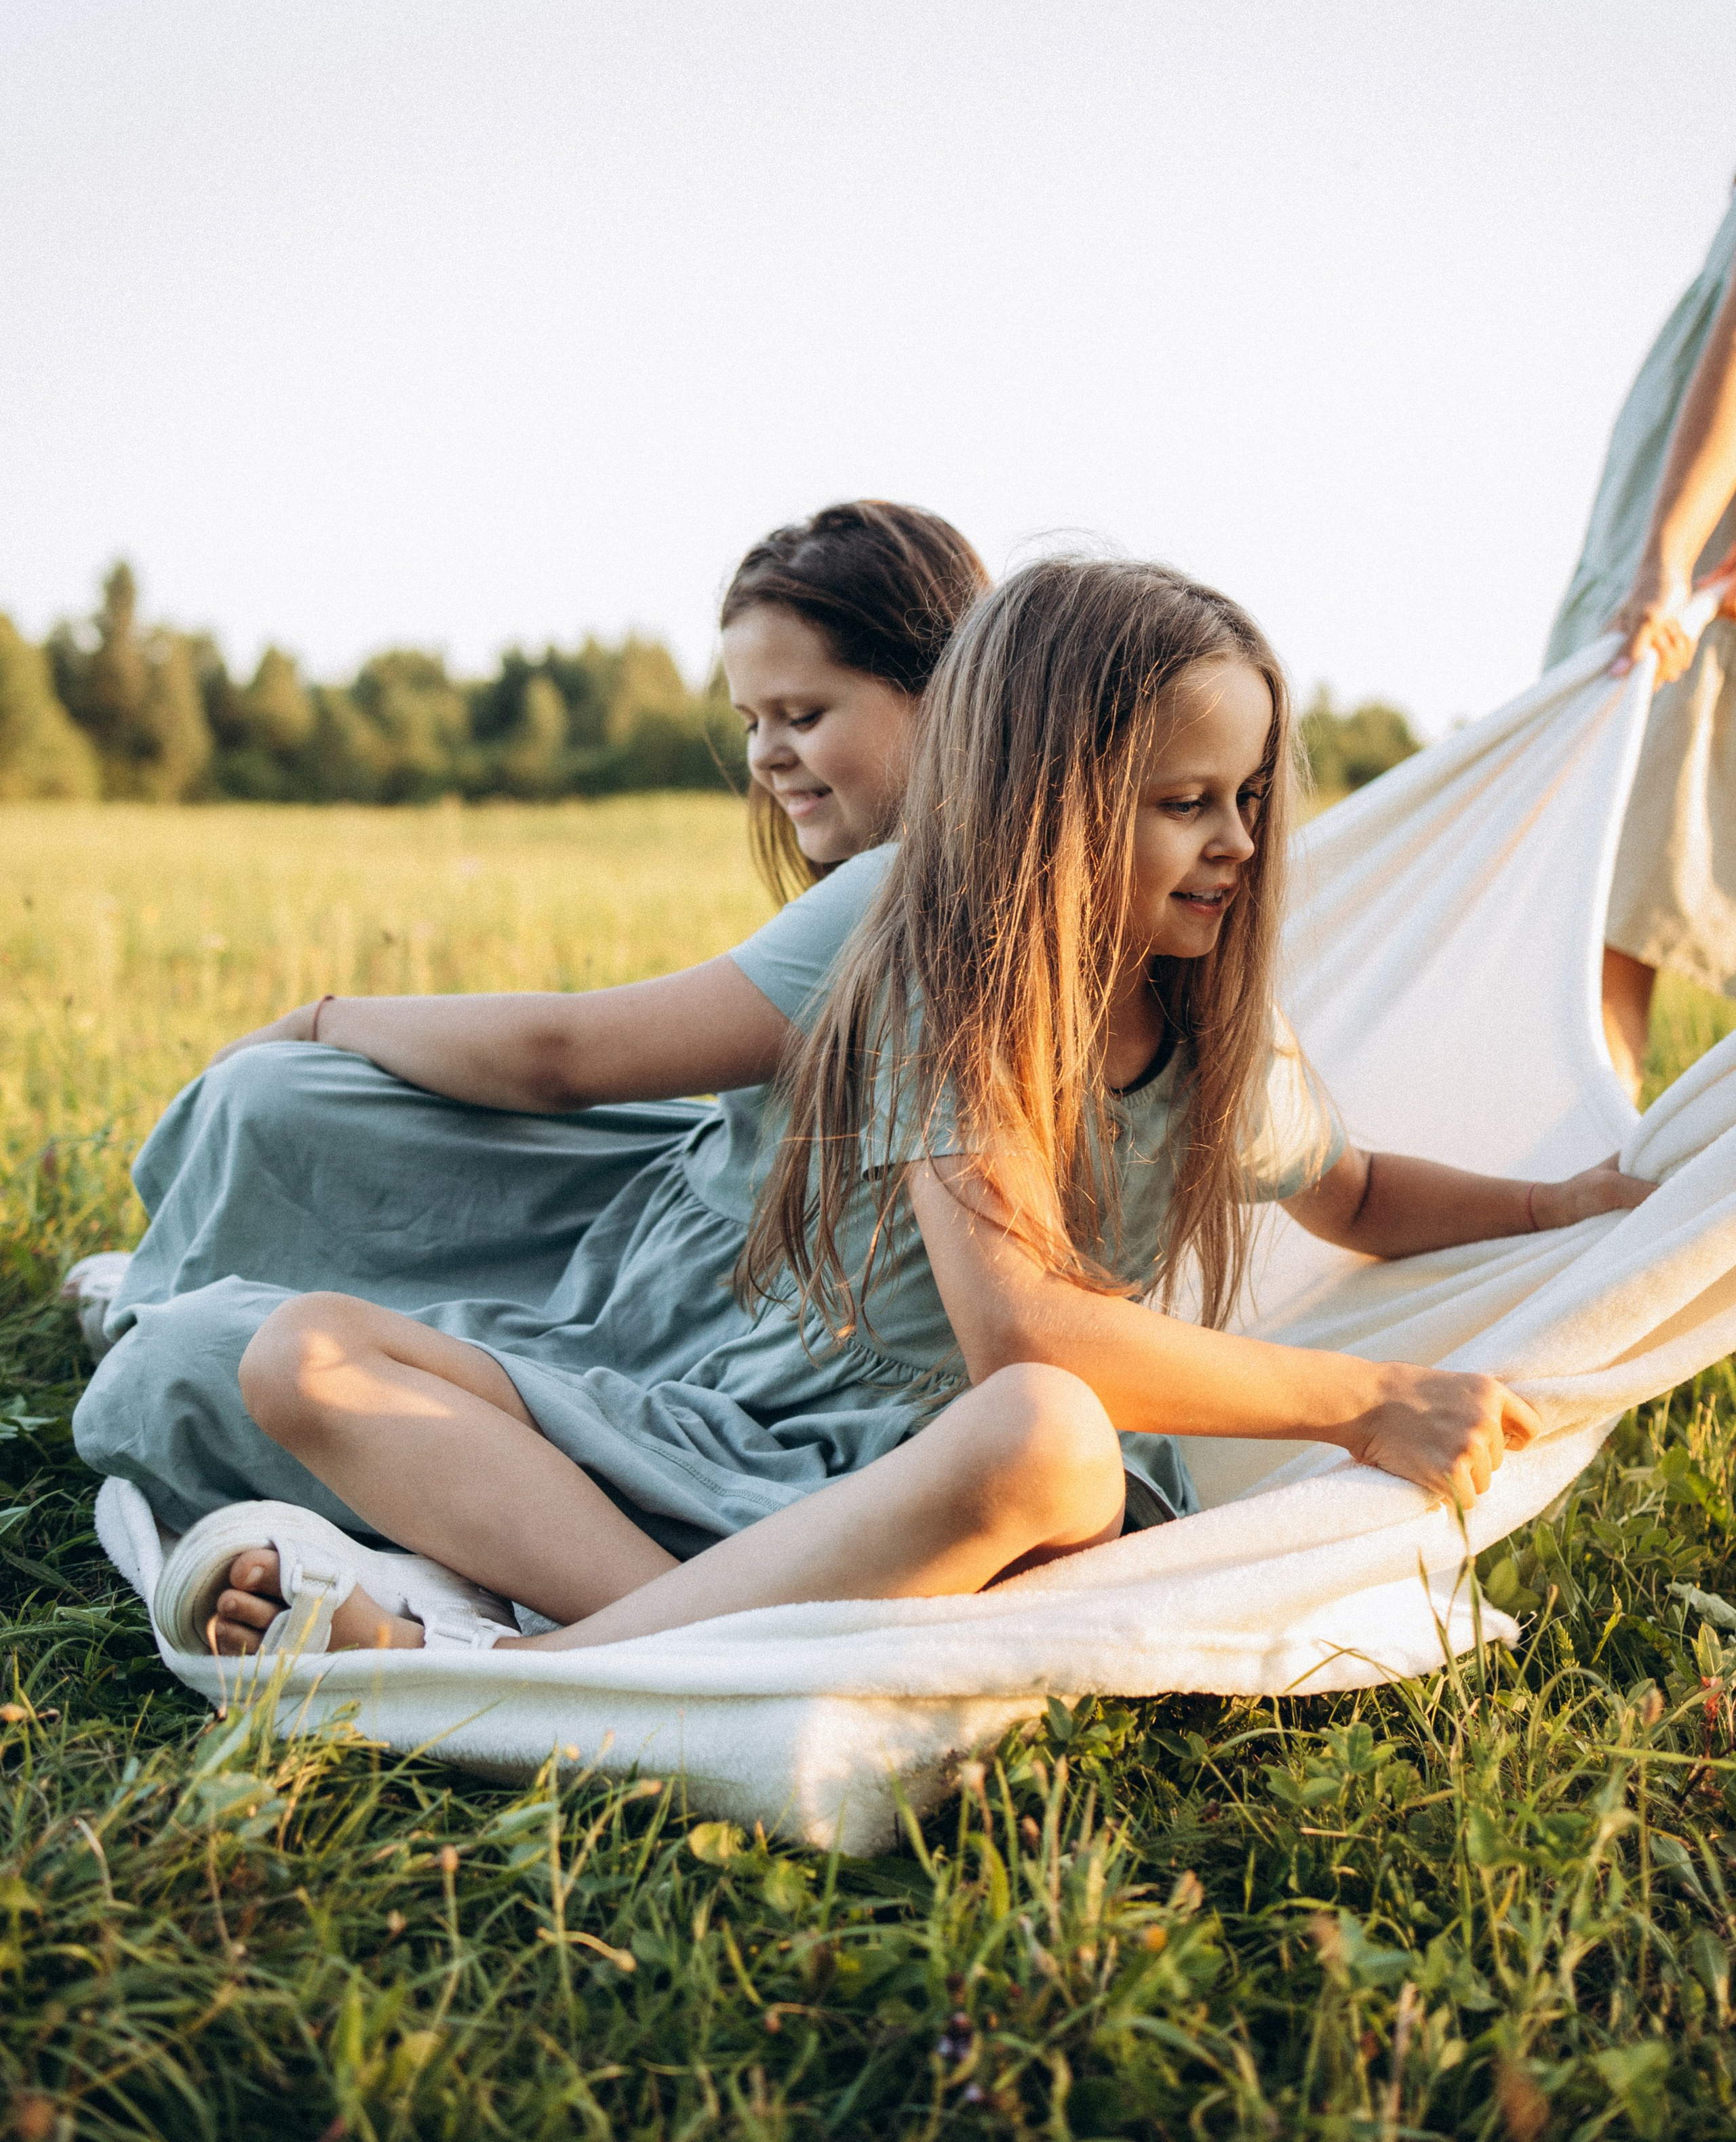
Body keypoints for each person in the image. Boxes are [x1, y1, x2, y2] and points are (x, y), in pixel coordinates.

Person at [155, 557, 1653, 1664]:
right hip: (738, 1435)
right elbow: (1027, 1324)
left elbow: (1359, 1190)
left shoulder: (1208, 1044)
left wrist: (1556, 1209)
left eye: (1250, 799)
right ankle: (638, 1650)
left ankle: (533, 1666)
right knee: (305, 1351)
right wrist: (1374, 1401)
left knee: (1049, 1442)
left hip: (933, 1489)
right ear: (1051, 797)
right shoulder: (956, 981)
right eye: (1185, 802)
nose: (1236, 847)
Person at [72, 500, 988, 1536]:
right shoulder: (904, 875)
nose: (767, 757)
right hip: (691, 1211)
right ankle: (183, 1287)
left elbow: (564, 1056)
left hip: (743, 1322)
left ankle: (204, 1314)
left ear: (944, 695)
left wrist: (325, 1016)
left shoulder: (905, 887)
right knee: (275, 1103)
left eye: (804, 716)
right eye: (750, 723)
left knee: (211, 1323)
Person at [1545, 185, 1736, 1100]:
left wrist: (1669, 548)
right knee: (1612, 886)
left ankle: (1613, 1190)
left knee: (1608, 903)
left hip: (1704, 516)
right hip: (1705, 493)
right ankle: (1614, 1181)